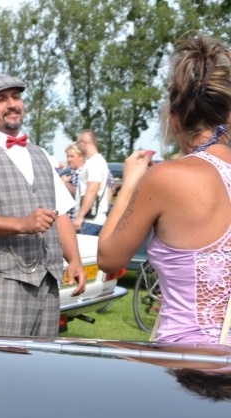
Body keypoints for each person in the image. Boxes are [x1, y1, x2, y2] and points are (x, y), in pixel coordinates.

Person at [98, 33, 231, 344]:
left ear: (174, 119)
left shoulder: (168, 177)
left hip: (189, 359)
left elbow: (109, 258)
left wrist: (131, 183)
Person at [0, 72, 85, 337]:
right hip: (2, 283)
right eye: (1, 99)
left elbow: (60, 212)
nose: (12, 104)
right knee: (3, 360)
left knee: (42, 361)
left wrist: (74, 260)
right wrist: (22, 224)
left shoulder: (41, 154)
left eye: (16, 97)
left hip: (48, 283)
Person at [73, 129, 112, 235]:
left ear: (83, 142)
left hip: (90, 221)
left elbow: (92, 190)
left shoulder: (95, 162)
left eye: (78, 143)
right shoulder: (96, 161)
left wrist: (80, 216)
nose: (78, 147)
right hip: (94, 220)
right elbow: (109, 189)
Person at [63, 142, 85, 220]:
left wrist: (64, 184)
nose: (69, 159)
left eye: (72, 156)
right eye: (67, 156)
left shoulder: (80, 174)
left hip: (76, 218)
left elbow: (78, 195)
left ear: (81, 157)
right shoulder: (73, 174)